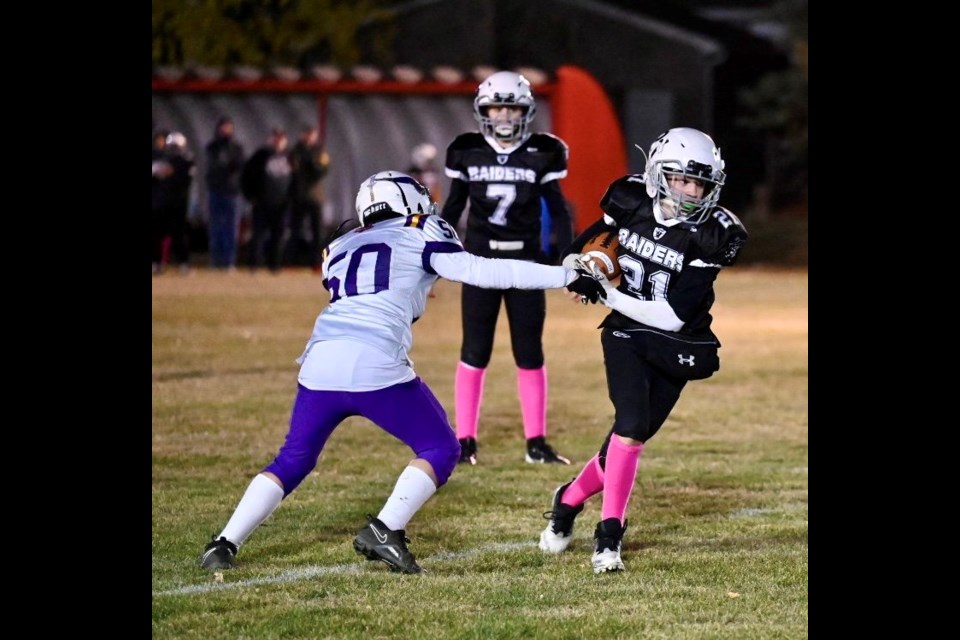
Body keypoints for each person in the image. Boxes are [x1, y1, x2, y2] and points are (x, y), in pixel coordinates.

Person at [198, 171, 604, 574]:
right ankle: (385, 527)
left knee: (293, 459)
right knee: (442, 448)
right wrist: (566, 274)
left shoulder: (340, 244)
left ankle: (224, 543)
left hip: (320, 359)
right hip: (375, 359)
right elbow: (484, 272)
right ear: (408, 203)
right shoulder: (422, 229)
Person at [537, 127, 749, 573]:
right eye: (681, 180)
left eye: (700, 184)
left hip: (676, 338)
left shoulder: (711, 234)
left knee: (625, 442)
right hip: (625, 333)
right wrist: (586, 265)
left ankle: (568, 500)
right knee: (630, 428)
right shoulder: (629, 201)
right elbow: (584, 247)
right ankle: (608, 536)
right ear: (657, 174)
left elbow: (672, 315)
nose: (691, 191)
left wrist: (604, 293)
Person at [440, 70, 575, 466]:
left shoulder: (544, 151)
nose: (503, 116)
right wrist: (435, 257)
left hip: (526, 263)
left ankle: (536, 441)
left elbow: (559, 209)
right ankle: (464, 440)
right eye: (496, 107)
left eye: (511, 107)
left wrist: (568, 257)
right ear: (483, 111)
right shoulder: (467, 150)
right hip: (479, 263)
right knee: (474, 350)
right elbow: (452, 208)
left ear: (525, 111)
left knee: (530, 352)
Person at [241, 128, 293, 273]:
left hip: (281, 204)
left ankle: (275, 266)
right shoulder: (260, 156)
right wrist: (251, 196)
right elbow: (247, 176)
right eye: (276, 138)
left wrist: (291, 199)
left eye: (281, 139)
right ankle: (254, 266)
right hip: (262, 203)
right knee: (258, 235)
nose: (278, 142)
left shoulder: (290, 157)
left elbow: (296, 179)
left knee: (279, 236)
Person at [284, 125, 331, 270]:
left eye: (311, 134)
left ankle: (317, 263)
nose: (309, 137)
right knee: (295, 230)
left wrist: (311, 165)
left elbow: (322, 170)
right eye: (306, 134)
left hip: (314, 197)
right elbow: (293, 171)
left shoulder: (319, 151)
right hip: (298, 196)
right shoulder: (295, 151)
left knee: (317, 232)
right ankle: (290, 262)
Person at [205, 115, 246, 271]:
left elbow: (239, 166)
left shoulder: (236, 148)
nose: (226, 130)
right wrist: (227, 167)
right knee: (216, 228)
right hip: (215, 192)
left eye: (228, 126)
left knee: (231, 229)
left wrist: (229, 167)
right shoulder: (212, 147)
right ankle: (216, 262)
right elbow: (215, 167)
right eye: (223, 126)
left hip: (232, 193)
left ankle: (229, 262)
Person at [152, 130, 196, 274]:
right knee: (157, 235)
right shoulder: (161, 159)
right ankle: (157, 263)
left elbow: (184, 178)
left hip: (178, 202)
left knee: (179, 235)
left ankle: (183, 263)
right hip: (163, 202)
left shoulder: (186, 160)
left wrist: (167, 172)